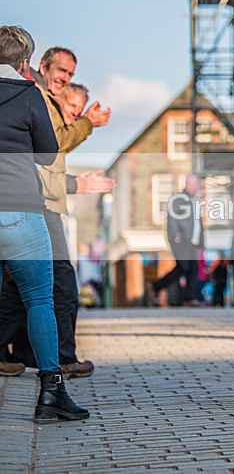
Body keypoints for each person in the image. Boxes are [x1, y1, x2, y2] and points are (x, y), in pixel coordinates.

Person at [0, 48, 112, 380]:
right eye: (61, 70)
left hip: (34, 202)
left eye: (71, 74)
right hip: (37, 204)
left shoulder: (36, 95)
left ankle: (27, 354)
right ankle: (60, 363)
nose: (65, 78)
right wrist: (88, 124)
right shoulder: (33, 95)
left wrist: (75, 181)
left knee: (22, 290)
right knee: (59, 283)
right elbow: (51, 149)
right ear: (39, 66)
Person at [0, 25, 88, 421]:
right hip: (22, 210)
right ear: (24, 63)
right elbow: (48, 154)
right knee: (39, 301)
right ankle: (51, 394)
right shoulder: (29, 94)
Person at [151, 174, 205, 306]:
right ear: (188, 184)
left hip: (193, 241)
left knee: (193, 269)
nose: (198, 187)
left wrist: (201, 242)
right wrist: (176, 234)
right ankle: (158, 285)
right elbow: (173, 218)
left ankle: (189, 297)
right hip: (181, 240)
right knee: (184, 266)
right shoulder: (179, 199)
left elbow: (198, 223)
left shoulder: (194, 200)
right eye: (196, 184)